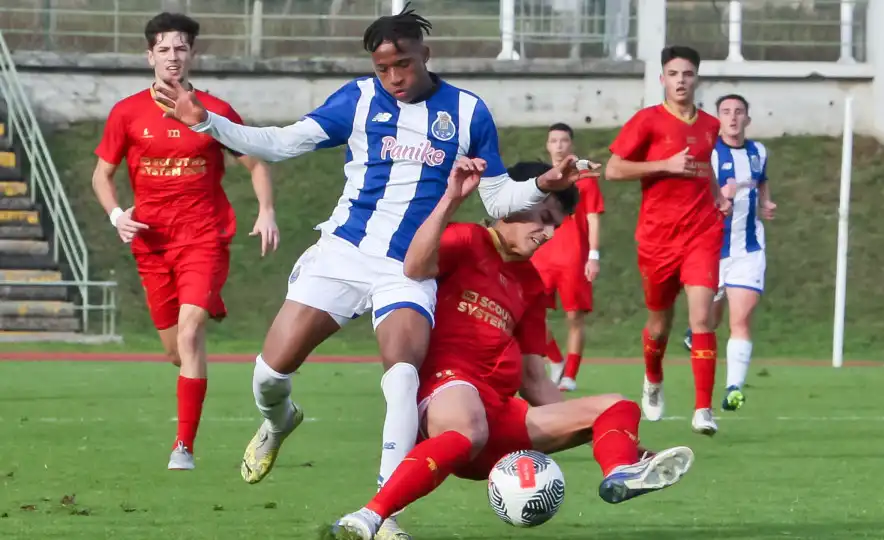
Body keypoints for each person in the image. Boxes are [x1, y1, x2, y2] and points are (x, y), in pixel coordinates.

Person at [153, 5, 579, 534]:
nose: (394, 77)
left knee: (401, 380)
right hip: (344, 254)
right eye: (383, 68)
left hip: (408, 269)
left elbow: (496, 198)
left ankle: (384, 510)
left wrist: (543, 185)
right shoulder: (357, 99)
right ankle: (280, 418)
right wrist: (209, 123)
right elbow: (284, 143)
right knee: (270, 374)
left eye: (403, 63)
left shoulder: (468, 112)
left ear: (427, 54)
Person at [332, 161, 695, 540]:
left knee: (618, 407)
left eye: (556, 225)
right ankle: (369, 517)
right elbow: (415, 266)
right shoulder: (468, 240)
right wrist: (450, 200)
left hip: (501, 416)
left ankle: (621, 470)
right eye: (543, 217)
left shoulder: (532, 284)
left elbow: (535, 379)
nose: (549, 233)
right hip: (447, 396)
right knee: (468, 427)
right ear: (514, 202)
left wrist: (608, 433)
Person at [91, 12, 279, 471]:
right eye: (164, 49)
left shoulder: (213, 111)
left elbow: (253, 161)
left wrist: (266, 210)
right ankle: (195, 340)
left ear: (192, 54)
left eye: (180, 48)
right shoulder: (127, 113)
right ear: (149, 55)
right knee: (178, 351)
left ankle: (184, 448)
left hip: (204, 238)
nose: (172, 56)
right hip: (152, 245)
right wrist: (117, 214)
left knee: (191, 331)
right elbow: (102, 174)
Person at [604, 45, 733, 436]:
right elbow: (613, 169)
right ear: (662, 79)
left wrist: (717, 195)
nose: (681, 80)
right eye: (674, 74)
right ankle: (653, 377)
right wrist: (664, 164)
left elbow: (703, 167)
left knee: (701, 317)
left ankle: (703, 409)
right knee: (659, 325)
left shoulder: (710, 126)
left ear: (697, 79)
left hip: (702, 233)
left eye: (688, 74)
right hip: (657, 238)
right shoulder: (646, 121)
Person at [681, 94, 776, 412]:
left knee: (742, 318)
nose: (733, 117)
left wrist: (766, 203)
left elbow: (761, 182)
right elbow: (690, 197)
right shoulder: (706, 154)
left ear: (748, 118)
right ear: (717, 118)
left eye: (739, 112)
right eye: (726, 112)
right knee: (709, 318)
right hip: (709, 248)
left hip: (748, 248)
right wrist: (719, 195)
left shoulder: (759, 152)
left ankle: (734, 387)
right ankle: (697, 331)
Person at [532, 123, 605, 391]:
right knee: (532, 314)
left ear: (571, 145)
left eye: (564, 140)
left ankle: (570, 375)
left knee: (575, 317)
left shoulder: (585, 178)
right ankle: (555, 360)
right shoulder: (540, 179)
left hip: (574, 256)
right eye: (554, 140)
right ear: (548, 145)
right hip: (542, 257)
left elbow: (593, 217)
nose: (559, 145)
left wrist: (594, 256)